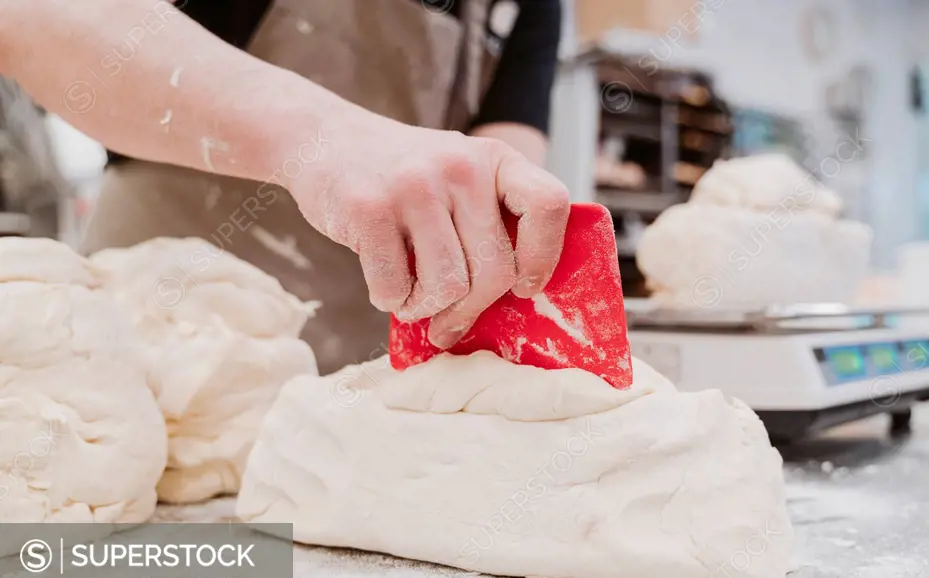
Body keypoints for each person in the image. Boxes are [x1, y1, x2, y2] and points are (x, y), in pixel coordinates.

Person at [0, 0, 570, 372]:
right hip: (149, 351)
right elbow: (32, 17)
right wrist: (322, 137)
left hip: (364, 394)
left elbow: (499, 180)